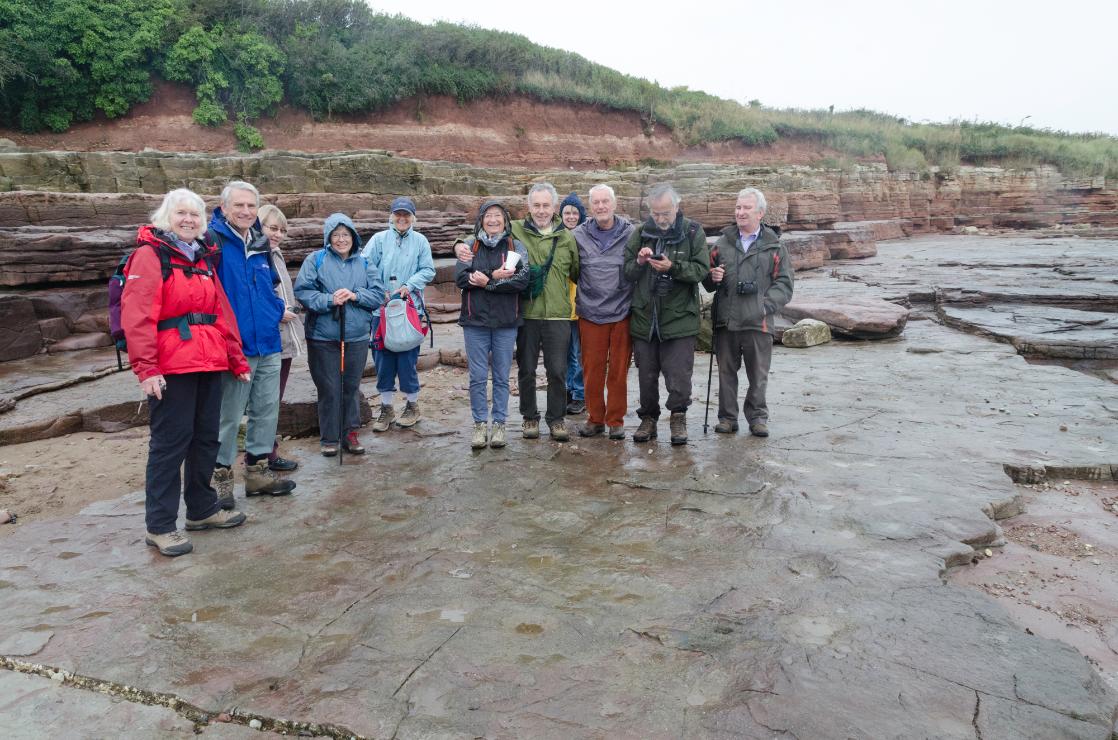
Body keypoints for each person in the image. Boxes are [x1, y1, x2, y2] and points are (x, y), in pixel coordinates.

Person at [120, 188, 249, 556]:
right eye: (181, 213)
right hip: (171, 367)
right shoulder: (149, 256)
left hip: (209, 361)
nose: (189, 220)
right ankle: (160, 526)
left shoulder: (202, 257)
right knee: (169, 444)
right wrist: (146, 369)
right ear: (166, 216)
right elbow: (137, 316)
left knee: (205, 437)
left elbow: (220, 313)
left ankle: (201, 509)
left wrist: (236, 359)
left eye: (195, 214)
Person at [458, 183, 579, 441]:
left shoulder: (567, 236)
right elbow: (483, 231)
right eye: (536, 205)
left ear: (554, 207)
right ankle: (529, 418)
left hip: (558, 313)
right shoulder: (518, 232)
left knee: (557, 370)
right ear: (529, 207)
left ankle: (556, 419)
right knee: (525, 369)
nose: (541, 210)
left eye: (546, 205)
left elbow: (577, 272)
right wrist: (459, 244)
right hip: (527, 313)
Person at [209, 181, 296, 504]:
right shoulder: (213, 241)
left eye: (250, 206)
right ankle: (221, 479)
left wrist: (275, 312)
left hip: (268, 342)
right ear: (224, 207)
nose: (245, 211)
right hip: (235, 346)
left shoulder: (260, 243)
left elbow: (271, 288)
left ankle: (258, 473)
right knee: (228, 415)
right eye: (239, 206)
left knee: (266, 409)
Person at [624, 183, 710, 445]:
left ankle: (678, 418)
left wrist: (672, 267)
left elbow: (701, 271)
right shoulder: (640, 233)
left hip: (679, 318)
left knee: (678, 374)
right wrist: (640, 262)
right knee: (646, 375)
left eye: (666, 213)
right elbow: (627, 272)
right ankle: (648, 418)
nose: (661, 219)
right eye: (656, 214)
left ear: (677, 206)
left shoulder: (693, 232)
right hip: (644, 318)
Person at [703, 188, 794, 437]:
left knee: (758, 375)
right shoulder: (722, 243)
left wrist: (764, 306)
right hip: (726, 320)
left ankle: (757, 418)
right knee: (725, 373)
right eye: (738, 208)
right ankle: (727, 419)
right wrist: (712, 277)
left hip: (759, 323)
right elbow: (708, 282)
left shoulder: (775, 246)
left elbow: (785, 285)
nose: (740, 213)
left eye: (746, 208)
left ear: (760, 213)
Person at [294, 213, 383, 456]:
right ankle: (329, 437)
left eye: (345, 235)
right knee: (328, 387)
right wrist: (329, 299)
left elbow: (378, 294)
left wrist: (356, 296)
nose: (341, 239)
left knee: (351, 386)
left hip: (355, 336)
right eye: (336, 235)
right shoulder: (316, 259)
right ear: (328, 237)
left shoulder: (365, 263)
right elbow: (303, 291)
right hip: (323, 336)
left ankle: (351, 434)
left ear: (353, 237)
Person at [454, 200, 530, 449]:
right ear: (481, 220)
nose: (493, 220)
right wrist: (493, 274)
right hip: (475, 322)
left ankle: (499, 424)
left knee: (501, 376)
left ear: (505, 220)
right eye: (488, 216)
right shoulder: (469, 245)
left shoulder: (515, 246)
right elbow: (461, 278)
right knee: (476, 376)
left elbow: (522, 280)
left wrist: (487, 282)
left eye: (498, 216)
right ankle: (479, 424)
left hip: (506, 322)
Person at [362, 196, 435, 431]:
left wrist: (410, 285)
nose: (402, 219)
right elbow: (365, 265)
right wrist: (378, 289)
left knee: (407, 360)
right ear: (392, 216)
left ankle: (412, 406)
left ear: (413, 218)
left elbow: (428, 270)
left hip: (409, 311)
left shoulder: (420, 241)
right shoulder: (379, 239)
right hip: (380, 311)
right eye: (398, 214)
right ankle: (386, 408)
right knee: (382, 361)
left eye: (406, 215)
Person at [570, 184, 636, 440]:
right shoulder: (577, 235)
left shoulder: (631, 233)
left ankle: (616, 421)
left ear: (614, 203)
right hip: (590, 312)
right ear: (590, 207)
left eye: (605, 201)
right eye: (596, 202)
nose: (600, 206)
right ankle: (595, 418)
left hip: (622, 312)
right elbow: (573, 270)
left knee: (619, 371)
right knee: (592, 369)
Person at [258, 204, 303, 471]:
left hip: (283, 338)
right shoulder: (258, 255)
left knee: (273, 398)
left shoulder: (276, 254)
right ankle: (265, 455)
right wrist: (278, 312)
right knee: (266, 399)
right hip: (269, 338)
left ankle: (267, 451)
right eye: (272, 228)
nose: (277, 234)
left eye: (282, 230)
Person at [558, 191, 587, 416]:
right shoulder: (556, 237)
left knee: (579, 352)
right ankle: (568, 390)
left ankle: (579, 395)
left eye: (574, 212)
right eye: (567, 212)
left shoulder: (585, 236)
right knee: (565, 352)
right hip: (560, 305)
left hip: (580, 304)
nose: (570, 216)